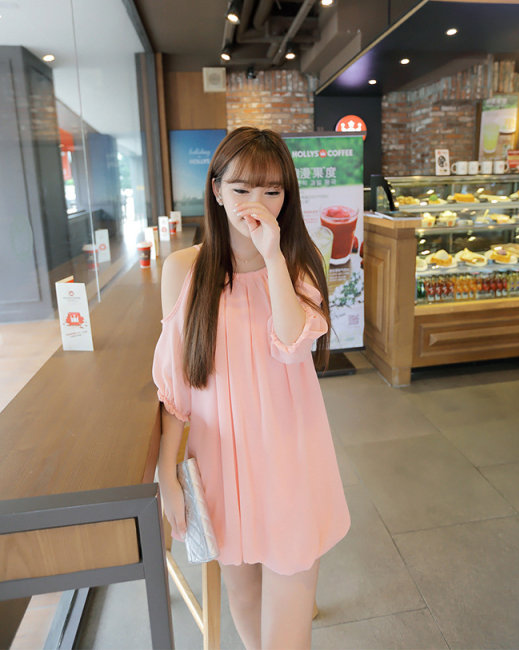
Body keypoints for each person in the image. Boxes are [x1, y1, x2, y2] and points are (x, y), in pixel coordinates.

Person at [153, 127, 350, 650]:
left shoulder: (299, 264)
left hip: (289, 459)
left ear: (287, 197)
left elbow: (292, 343)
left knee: (287, 632)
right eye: (241, 189)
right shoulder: (183, 270)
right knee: (242, 596)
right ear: (216, 190)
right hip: (221, 462)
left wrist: (273, 256)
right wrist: (167, 473)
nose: (255, 203)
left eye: (271, 191)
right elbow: (175, 386)